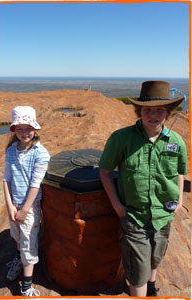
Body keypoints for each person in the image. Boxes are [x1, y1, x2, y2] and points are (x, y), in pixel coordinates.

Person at [99, 81, 187, 297]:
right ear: (139, 111)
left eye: (159, 110)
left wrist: (180, 203)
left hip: (163, 214)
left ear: (168, 112)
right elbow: (105, 172)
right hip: (133, 216)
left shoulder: (176, 141)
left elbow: (179, 172)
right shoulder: (121, 139)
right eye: (148, 110)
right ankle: (141, 290)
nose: (153, 115)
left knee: (156, 255)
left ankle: (152, 286)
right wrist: (118, 206)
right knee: (138, 269)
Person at [3, 106, 50, 297]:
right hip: (13, 204)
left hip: (29, 207)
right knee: (17, 237)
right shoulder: (11, 151)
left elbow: (35, 184)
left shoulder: (40, 153)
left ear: (35, 128)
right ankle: (17, 259)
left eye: (28, 127)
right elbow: (6, 178)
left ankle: (26, 286)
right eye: (20, 128)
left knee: (28, 243)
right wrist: (10, 205)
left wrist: (24, 210)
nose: (24, 132)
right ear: (14, 130)